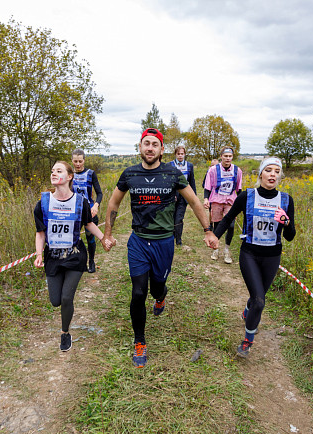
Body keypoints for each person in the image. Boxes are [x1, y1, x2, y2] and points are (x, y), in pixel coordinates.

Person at [103, 128, 218, 368]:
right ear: (140, 147)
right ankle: (140, 341)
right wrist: (108, 234)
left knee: (157, 288)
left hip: (164, 242)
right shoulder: (129, 174)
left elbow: (194, 201)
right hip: (138, 242)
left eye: (155, 144)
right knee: (138, 292)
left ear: (162, 149)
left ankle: (161, 297)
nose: (150, 148)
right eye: (146, 143)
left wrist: (208, 231)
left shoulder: (173, 173)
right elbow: (114, 203)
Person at [213, 156, 296, 357]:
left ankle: (247, 311)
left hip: (272, 256)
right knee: (259, 300)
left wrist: (286, 222)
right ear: (260, 174)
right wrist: (214, 237)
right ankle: (247, 340)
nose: (273, 174)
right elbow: (228, 218)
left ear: (280, 176)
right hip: (249, 253)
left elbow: (290, 236)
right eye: (269, 170)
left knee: (256, 298)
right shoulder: (247, 196)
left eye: (277, 171)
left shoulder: (286, 200)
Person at [33, 161, 112, 352]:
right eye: (52, 170)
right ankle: (64, 319)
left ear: (69, 177)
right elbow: (40, 232)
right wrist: (38, 254)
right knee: (55, 300)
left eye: (58, 171)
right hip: (53, 256)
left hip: (75, 255)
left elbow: (88, 224)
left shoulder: (79, 201)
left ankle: (65, 333)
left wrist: (103, 239)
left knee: (67, 298)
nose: (53, 173)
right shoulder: (43, 203)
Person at [203, 146, 243, 264]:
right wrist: (206, 198)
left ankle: (227, 250)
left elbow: (239, 189)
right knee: (218, 225)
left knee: (230, 225)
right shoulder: (213, 170)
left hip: (230, 200)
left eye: (230, 156)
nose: (228, 158)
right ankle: (216, 249)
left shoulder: (237, 170)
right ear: (221, 156)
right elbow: (208, 186)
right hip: (216, 199)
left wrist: (242, 202)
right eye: (225, 156)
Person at [71, 149, 103, 273]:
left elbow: (99, 193)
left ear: (84, 160)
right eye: (75, 161)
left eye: (80, 161)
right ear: (72, 161)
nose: (78, 164)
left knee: (90, 238)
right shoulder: (69, 174)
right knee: (75, 239)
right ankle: (79, 262)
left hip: (90, 211)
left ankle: (92, 261)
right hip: (74, 211)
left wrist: (96, 205)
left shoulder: (90, 173)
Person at [170, 145, 197, 246]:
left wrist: (193, 197)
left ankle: (178, 240)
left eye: (182, 154)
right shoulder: (170, 165)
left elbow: (192, 181)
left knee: (179, 218)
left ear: (185, 154)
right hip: (173, 196)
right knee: (171, 217)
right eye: (178, 154)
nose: (180, 156)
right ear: (175, 154)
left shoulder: (189, 165)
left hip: (184, 196)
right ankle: (171, 237)